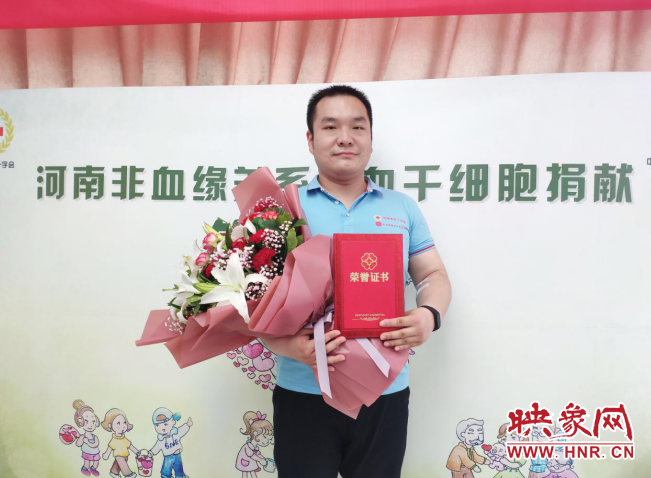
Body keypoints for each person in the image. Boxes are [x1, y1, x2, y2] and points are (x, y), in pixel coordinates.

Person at [263, 84, 452, 477]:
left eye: (357, 127)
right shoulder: (281, 208)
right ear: (310, 140)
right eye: (331, 127)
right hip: (304, 391)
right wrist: (285, 345)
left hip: (384, 392)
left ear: (370, 138)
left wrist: (429, 315)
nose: (345, 138)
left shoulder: (402, 208)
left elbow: (432, 274)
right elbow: (252, 302)